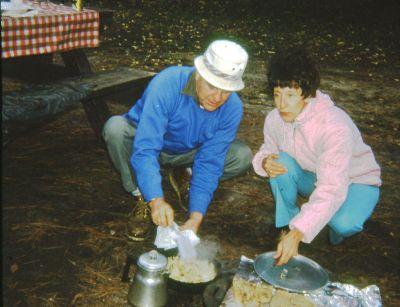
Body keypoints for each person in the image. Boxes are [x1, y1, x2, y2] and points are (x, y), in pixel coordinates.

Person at [103, 40, 253, 241]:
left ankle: (185, 173)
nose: (217, 97)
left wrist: (195, 217)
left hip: (187, 152)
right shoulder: (167, 84)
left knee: (241, 156)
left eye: (226, 91)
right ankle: (140, 195)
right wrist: (155, 199)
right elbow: (146, 148)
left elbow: (210, 161)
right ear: (198, 74)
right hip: (143, 140)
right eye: (212, 86)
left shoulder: (232, 108)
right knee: (115, 129)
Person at [252, 47, 381, 265]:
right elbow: (268, 149)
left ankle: (329, 227)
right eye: (277, 94)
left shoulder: (333, 126)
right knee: (279, 162)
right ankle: (288, 223)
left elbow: (332, 188)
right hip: (314, 176)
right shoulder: (274, 119)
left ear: (307, 94)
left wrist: (299, 233)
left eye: (290, 95)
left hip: (356, 181)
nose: (281, 104)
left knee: (343, 223)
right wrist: (264, 162)